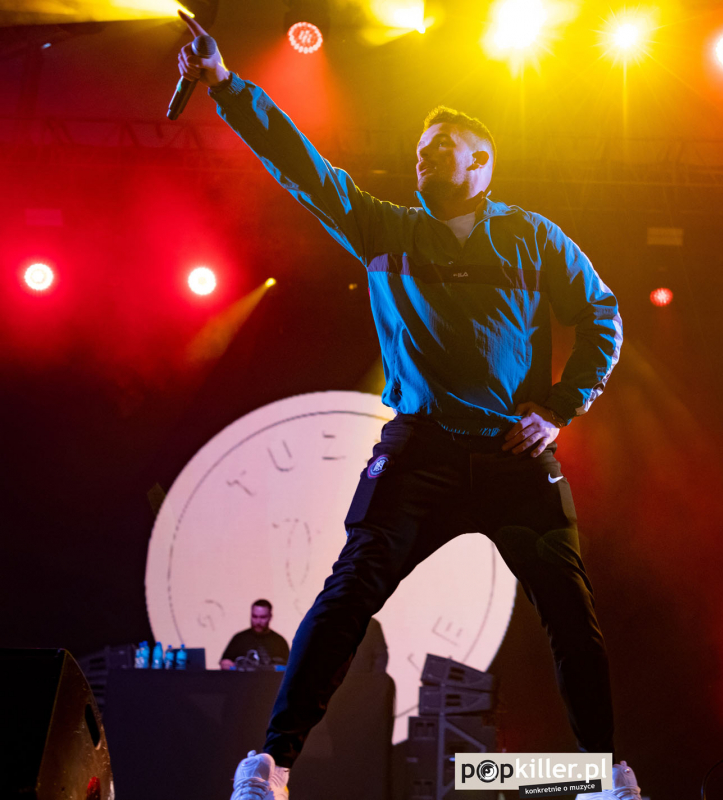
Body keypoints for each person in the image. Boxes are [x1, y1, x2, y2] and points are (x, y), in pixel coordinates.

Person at [176, 12, 626, 800]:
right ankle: (272, 765)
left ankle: (607, 776)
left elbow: (602, 317)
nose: (421, 158)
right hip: (418, 454)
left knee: (570, 614)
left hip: (514, 458)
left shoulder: (533, 239)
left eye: (439, 148)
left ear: (481, 162)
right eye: (418, 151)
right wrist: (225, 83)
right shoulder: (385, 229)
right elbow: (302, 167)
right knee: (346, 596)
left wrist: (559, 409)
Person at [220, 599, 290, 670]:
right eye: (254, 616)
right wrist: (227, 664)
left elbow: (289, 668)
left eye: (263, 617)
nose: (258, 621)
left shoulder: (279, 642)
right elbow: (225, 662)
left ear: (270, 617)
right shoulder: (239, 639)